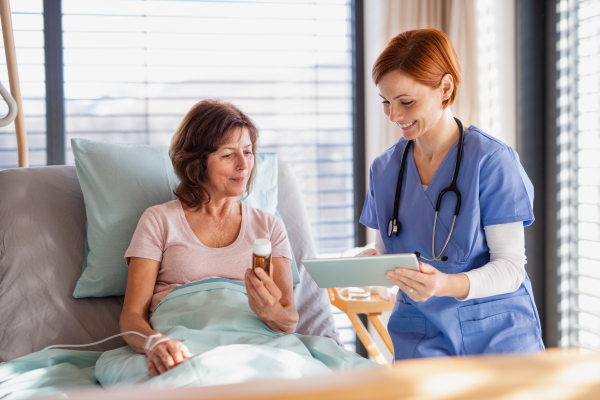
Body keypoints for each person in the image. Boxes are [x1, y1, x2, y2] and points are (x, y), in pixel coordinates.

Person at [357, 29, 545, 359]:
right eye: (386, 102)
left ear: (445, 88)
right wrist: (363, 267)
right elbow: (387, 254)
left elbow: (511, 267)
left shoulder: (492, 161)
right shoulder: (384, 170)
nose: (394, 116)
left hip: (497, 333)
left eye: (407, 102)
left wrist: (445, 285)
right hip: (420, 331)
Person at [119, 100, 298, 376]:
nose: (244, 165)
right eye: (228, 155)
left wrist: (271, 310)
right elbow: (131, 317)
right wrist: (155, 343)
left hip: (256, 349)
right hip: (183, 349)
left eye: (248, 152)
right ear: (197, 162)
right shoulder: (158, 220)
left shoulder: (270, 227)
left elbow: (289, 321)